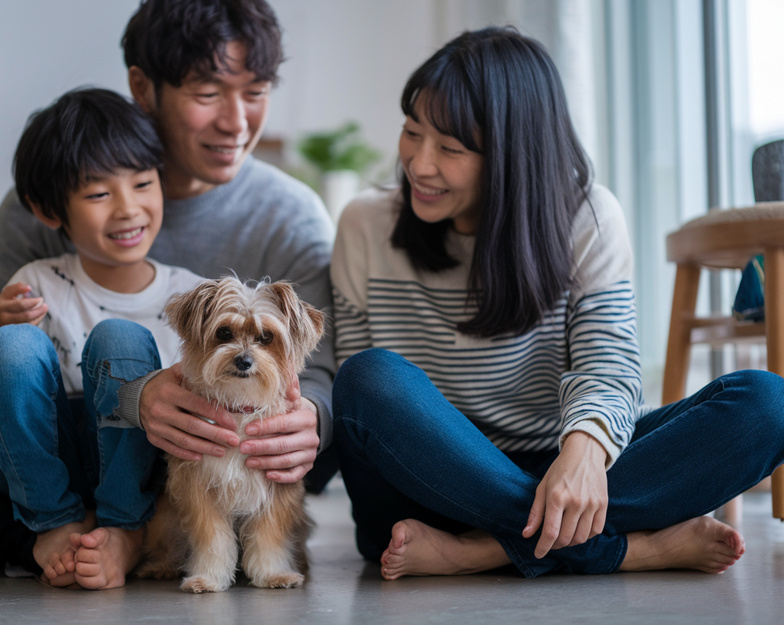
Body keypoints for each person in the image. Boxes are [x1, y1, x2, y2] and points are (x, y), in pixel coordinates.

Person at [0, 0, 335, 586]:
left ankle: (2, 535)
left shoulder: (289, 216)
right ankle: (78, 536)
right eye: (209, 92)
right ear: (143, 87)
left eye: (257, 90)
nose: (237, 121)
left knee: (296, 448)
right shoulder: (41, 200)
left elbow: (318, 374)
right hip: (53, 452)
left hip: (187, 458)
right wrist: (1, 326)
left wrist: (308, 416)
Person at [330, 26, 784, 580]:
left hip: (558, 472)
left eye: (450, 149)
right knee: (367, 377)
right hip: (425, 485)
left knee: (768, 402)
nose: (419, 165)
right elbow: (362, 413)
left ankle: (483, 550)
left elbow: (608, 364)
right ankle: (623, 551)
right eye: (411, 133)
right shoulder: (365, 223)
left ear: (513, 154)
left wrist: (586, 451)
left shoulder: (587, 217)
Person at [0, 87, 204, 589]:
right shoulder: (38, 281)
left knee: (120, 338)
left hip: (141, 469)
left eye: (142, 183)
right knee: (11, 346)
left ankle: (123, 528)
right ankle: (54, 525)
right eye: (98, 193)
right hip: (49, 466)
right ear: (49, 210)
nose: (128, 208)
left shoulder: (192, 296)